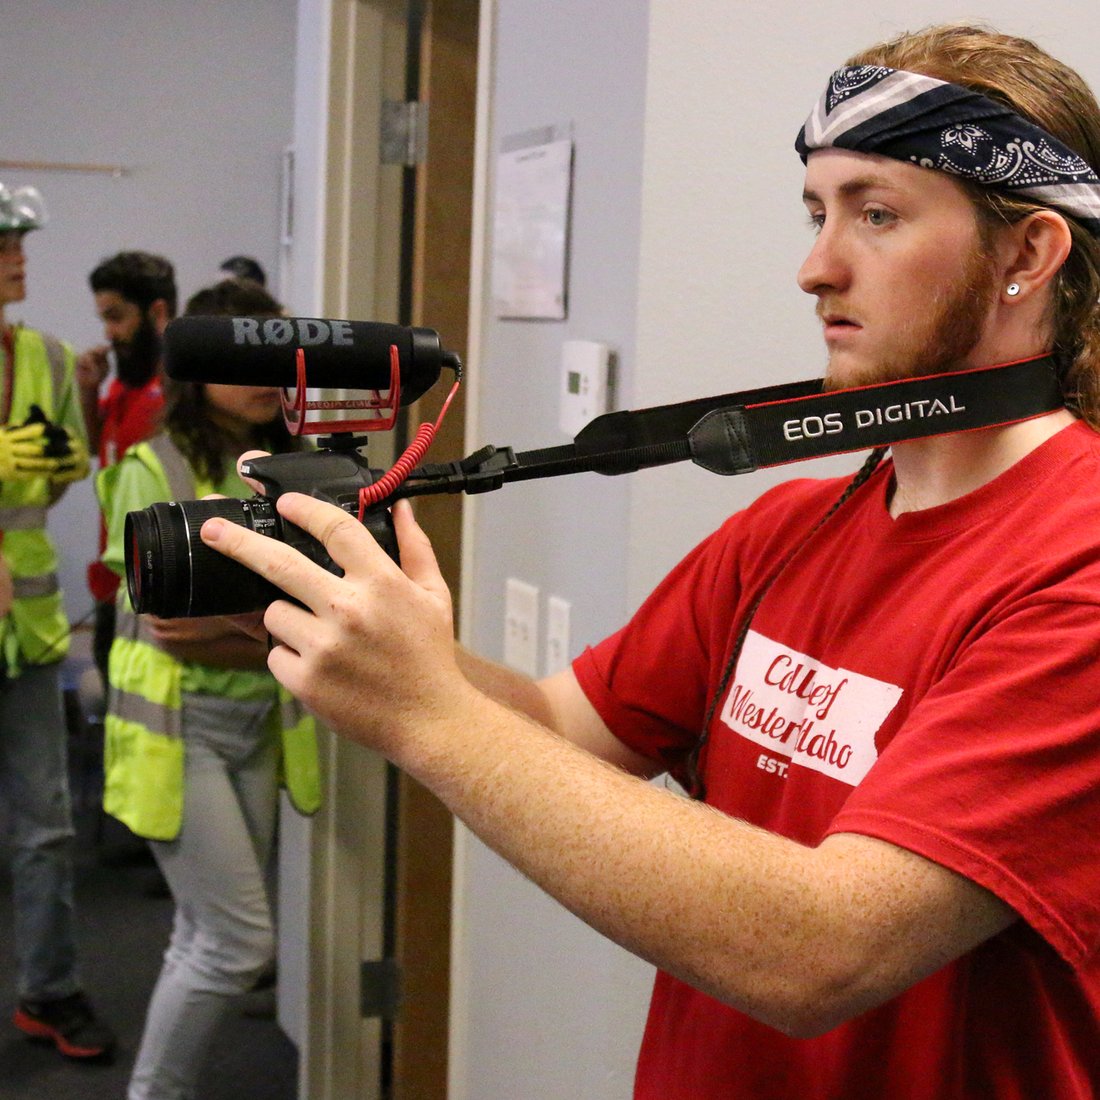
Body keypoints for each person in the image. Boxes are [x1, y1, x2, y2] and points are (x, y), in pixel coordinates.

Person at [203, 23, 1100, 1100]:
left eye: (875, 212)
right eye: (815, 212)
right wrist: (337, 630)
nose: (815, 266)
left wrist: (421, 709)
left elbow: (825, 947)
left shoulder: (1074, 563)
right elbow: (551, 729)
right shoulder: (789, 526)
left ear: (1026, 253)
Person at [97, 277, 320, 1100]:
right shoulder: (151, 465)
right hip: (178, 731)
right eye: (240, 355)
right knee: (235, 944)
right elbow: (169, 626)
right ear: (196, 366)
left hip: (258, 723)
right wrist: (278, 620)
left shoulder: (290, 468)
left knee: (201, 934)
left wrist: (241, 620)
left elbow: (241, 620)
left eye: (276, 353)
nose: (266, 374)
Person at [0, 182, 115, 1060]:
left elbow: (63, 473)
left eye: (20, 241)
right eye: (4, 243)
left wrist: (61, 460)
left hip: (27, 626)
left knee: (45, 823)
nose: (20, 256)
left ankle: (49, 989)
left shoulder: (41, 352)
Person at [77, 251, 174, 688]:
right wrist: (86, 389)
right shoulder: (123, 384)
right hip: (110, 584)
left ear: (157, 312)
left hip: (154, 591)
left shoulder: (177, 396)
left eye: (116, 317)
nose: (108, 334)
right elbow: (99, 446)